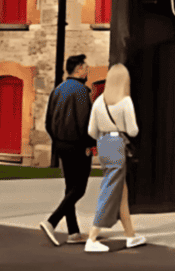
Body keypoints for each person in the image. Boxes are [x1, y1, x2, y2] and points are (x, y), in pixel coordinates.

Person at [85, 62, 145, 252]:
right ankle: (92, 237)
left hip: (103, 145)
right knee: (110, 190)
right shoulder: (125, 101)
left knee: (120, 191)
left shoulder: (98, 102)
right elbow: (133, 131)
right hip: (117, 145)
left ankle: (130, 235)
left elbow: (91, 131)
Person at [40, 53, 94, 246]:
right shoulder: (80, 91)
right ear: (79, 68)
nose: (87, 71)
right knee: (79, 189)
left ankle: (73, 232)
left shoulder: (58, 90)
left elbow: (47, 121)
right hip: (77, 145)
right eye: (85, 67)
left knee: (70, 188)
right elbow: (85, 122)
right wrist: (89, 144)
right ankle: (51, 221)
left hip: (61, 144)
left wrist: (57, 139)